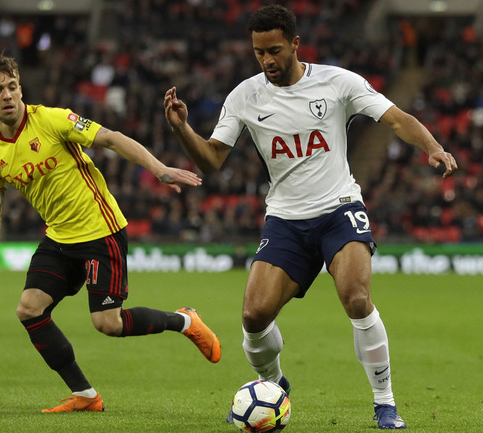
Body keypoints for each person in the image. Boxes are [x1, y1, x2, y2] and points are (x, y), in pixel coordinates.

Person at [164, 5, 457, 430]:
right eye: (259, 52)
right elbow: (211, 160)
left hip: (340, 209)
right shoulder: (244, 96)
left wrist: (431, 147)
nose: (267, 61)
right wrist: (181, 130)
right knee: (253, 316)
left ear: (296, 44)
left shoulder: (338, 83)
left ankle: (385, 403)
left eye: (275, 50)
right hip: (285, 218)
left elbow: (396, 119)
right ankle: (272, 386)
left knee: (356, 297)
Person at [0, 54, 221, 413]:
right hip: (59, 238)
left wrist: (158, 168)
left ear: (21, 88)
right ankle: (86, 396)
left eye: (12, 87)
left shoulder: (53, 119)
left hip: (100, 231)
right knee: (29, 309)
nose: (8, 95)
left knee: (107, 323)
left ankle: (184, 321)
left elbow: (111, 139)